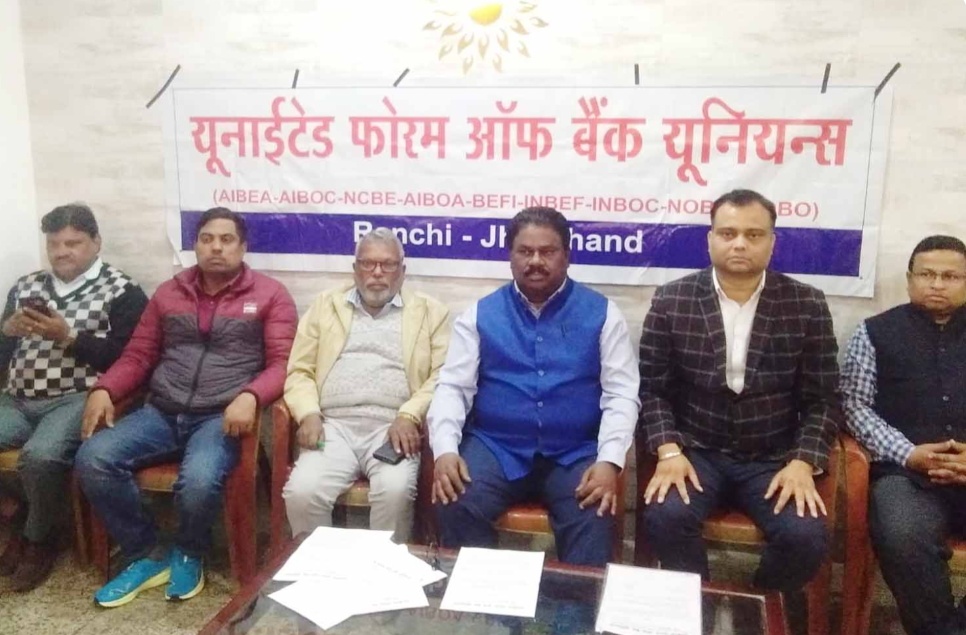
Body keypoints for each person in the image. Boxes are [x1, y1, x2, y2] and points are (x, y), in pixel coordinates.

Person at [74, 207, 297, 607]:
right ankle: (146, 552)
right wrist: (105, 389)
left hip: (220, 417)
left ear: (243, 247)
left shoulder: (269, 294)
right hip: (161, 412)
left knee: (198, 480)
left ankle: (189, 550)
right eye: (207, 239)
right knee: (93, 458)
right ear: (195, 245)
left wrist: (250, 396)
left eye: (226, 240)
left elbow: (284, 363)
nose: (216, 247)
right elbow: (139, 355)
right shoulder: (169, 292)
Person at [638, 189, 840, 598]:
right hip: (696, 452)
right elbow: (653, 389)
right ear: (710, 239)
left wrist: (804, 461)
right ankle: (700, 609)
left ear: (772, 242)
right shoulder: (672, 300)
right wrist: (668, 450)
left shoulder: (806, 304)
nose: (740, 244)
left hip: (772, 457)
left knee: (805, 536)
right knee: (665, 517)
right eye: (728, 233)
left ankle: (755, 609)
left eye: (754, 234)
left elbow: (823, 398)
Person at [428, 207, 640, 566]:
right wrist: (445, 450)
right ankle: (485, 600)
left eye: (548, 251)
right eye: (525, 251)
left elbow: (622, 394)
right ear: (510, 256)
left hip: (574, 452)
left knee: (594, 511)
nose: (536, 261)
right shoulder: (480, 314)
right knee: (455, 498)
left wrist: (609, 460)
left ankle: (571, 603)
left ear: (567, 256)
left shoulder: (603, 314)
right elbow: (452, 388)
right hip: (496, 447)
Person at [0, 203, 147, 592]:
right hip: (16, 397)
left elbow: (131, 358)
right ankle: (15, 509)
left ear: (96, 242)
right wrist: (7, 332)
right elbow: (2, 356)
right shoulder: (26, 286)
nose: (62, 252)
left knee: (41, 456)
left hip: (77, 397)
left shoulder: (123, 290)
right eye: (54, 244)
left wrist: (68, 337)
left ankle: (38, 540)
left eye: (73, 243)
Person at [282, 228, 450, 542]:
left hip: (392, 430)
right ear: (354, 269)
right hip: (331, 427)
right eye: (368, 263)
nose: (377, 272)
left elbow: (443, 376)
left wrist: (410, 415)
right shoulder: (325, 305)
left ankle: (384, 569)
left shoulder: (431, 313)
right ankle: (317, 568)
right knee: (303, 491)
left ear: (402, 271)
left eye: (387, 265)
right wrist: (308, 414)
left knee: (395, 490)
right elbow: (300, 370)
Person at [841, 235, 966, 635]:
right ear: (910, 279)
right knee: (901, 531)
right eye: (927, 274)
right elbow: (853, 407)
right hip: (906, 476)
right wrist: (909, 453)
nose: (937, 284)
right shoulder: (874, 333)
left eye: (950, 276)